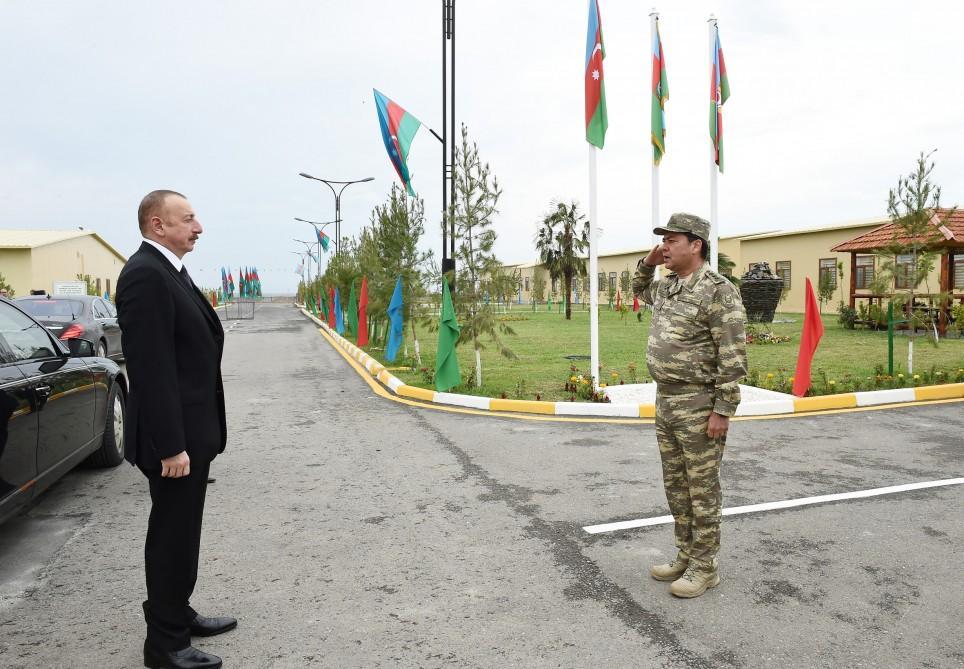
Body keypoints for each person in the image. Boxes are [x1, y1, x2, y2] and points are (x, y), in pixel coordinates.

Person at [116, 190, 234, 668]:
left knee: (184, 533)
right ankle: (164, 645)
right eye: (188, 219)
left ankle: (178, 614)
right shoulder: (145, 275)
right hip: (174, 441)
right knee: (170, 536)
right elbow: (152, 368)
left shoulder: (170, 271)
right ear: (157, 224)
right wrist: (171, 446)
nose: (198, 226)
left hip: (190, 431)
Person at [632, 213, 747, 599]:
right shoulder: (668, 287)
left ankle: (705, 565)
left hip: (699, 403)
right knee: (677, 486)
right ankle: (685, 554)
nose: (665, 246)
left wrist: (722, 409)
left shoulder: (718, 290)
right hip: (667, 401)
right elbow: (637, 286)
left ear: (696, 245)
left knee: (702, 488)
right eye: (662, 240)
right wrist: (651, 259)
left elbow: (732, 355)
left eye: (672, 240)